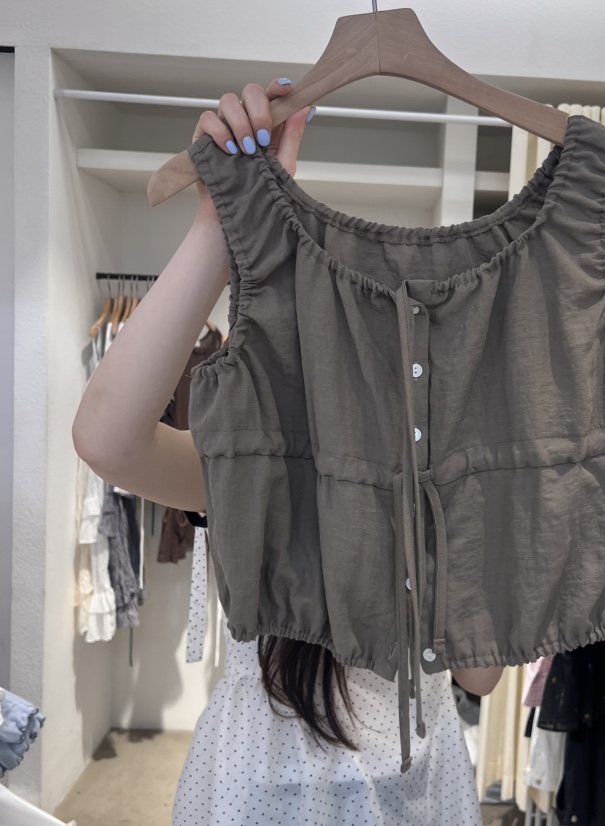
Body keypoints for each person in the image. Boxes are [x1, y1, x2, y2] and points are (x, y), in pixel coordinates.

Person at [72, 78, 503, 825]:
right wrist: (221, 223)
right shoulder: (263, 471)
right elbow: (107, 439)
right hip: (274, 791)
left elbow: (481, 674)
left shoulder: (445, 484)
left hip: (402, 789)